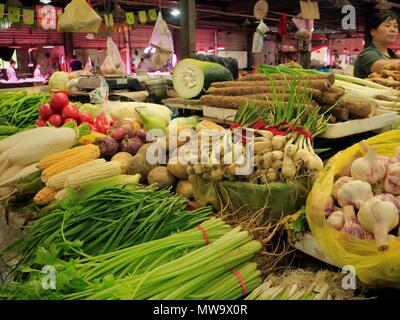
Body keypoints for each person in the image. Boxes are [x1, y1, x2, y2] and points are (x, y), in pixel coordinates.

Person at [354, 10, 400, 79]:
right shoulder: (367, 54)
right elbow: (389, 67)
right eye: (388, 26)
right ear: (373, 32)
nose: (393, 30)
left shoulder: (391, 54)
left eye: (395, 26)